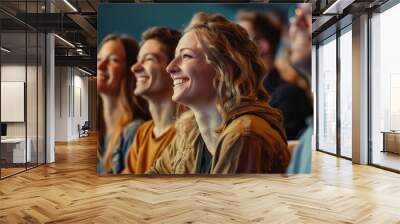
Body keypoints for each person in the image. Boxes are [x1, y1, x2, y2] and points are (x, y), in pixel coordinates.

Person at [147, 12, 291, 174]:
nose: (170, 68)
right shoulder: (189, 131)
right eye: (174, 57)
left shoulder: (245, 135)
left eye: (186, 56)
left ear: (223, 68)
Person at [237, 11, 313, 140]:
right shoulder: (245, 95)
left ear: (262, 45)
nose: (232, 48)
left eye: (240, 40)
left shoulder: (287, 96)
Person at [123, 27, 181, 174]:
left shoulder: (188, 136)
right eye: (137, 60)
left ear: (174, 68)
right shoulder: (143, 132)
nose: (135, 68)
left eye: (149, 59)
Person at [97, 34, 150, 174]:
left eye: (112, 60)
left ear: (130, 71)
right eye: (99, 59)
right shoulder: (99, 131)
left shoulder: (135, 132)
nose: (100, 66)